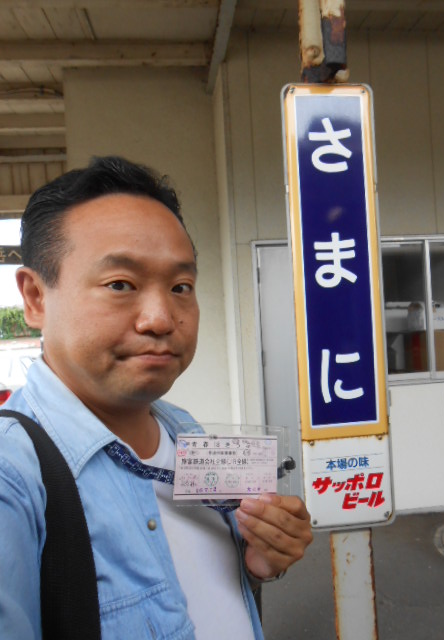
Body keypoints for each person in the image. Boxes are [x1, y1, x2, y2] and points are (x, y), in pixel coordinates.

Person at [0, 156, 313, 639]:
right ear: (36, 297)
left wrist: (257, 563)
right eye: (120, 284)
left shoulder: (182, 429)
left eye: (181, 286)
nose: (161, 319)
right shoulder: (14, 479)